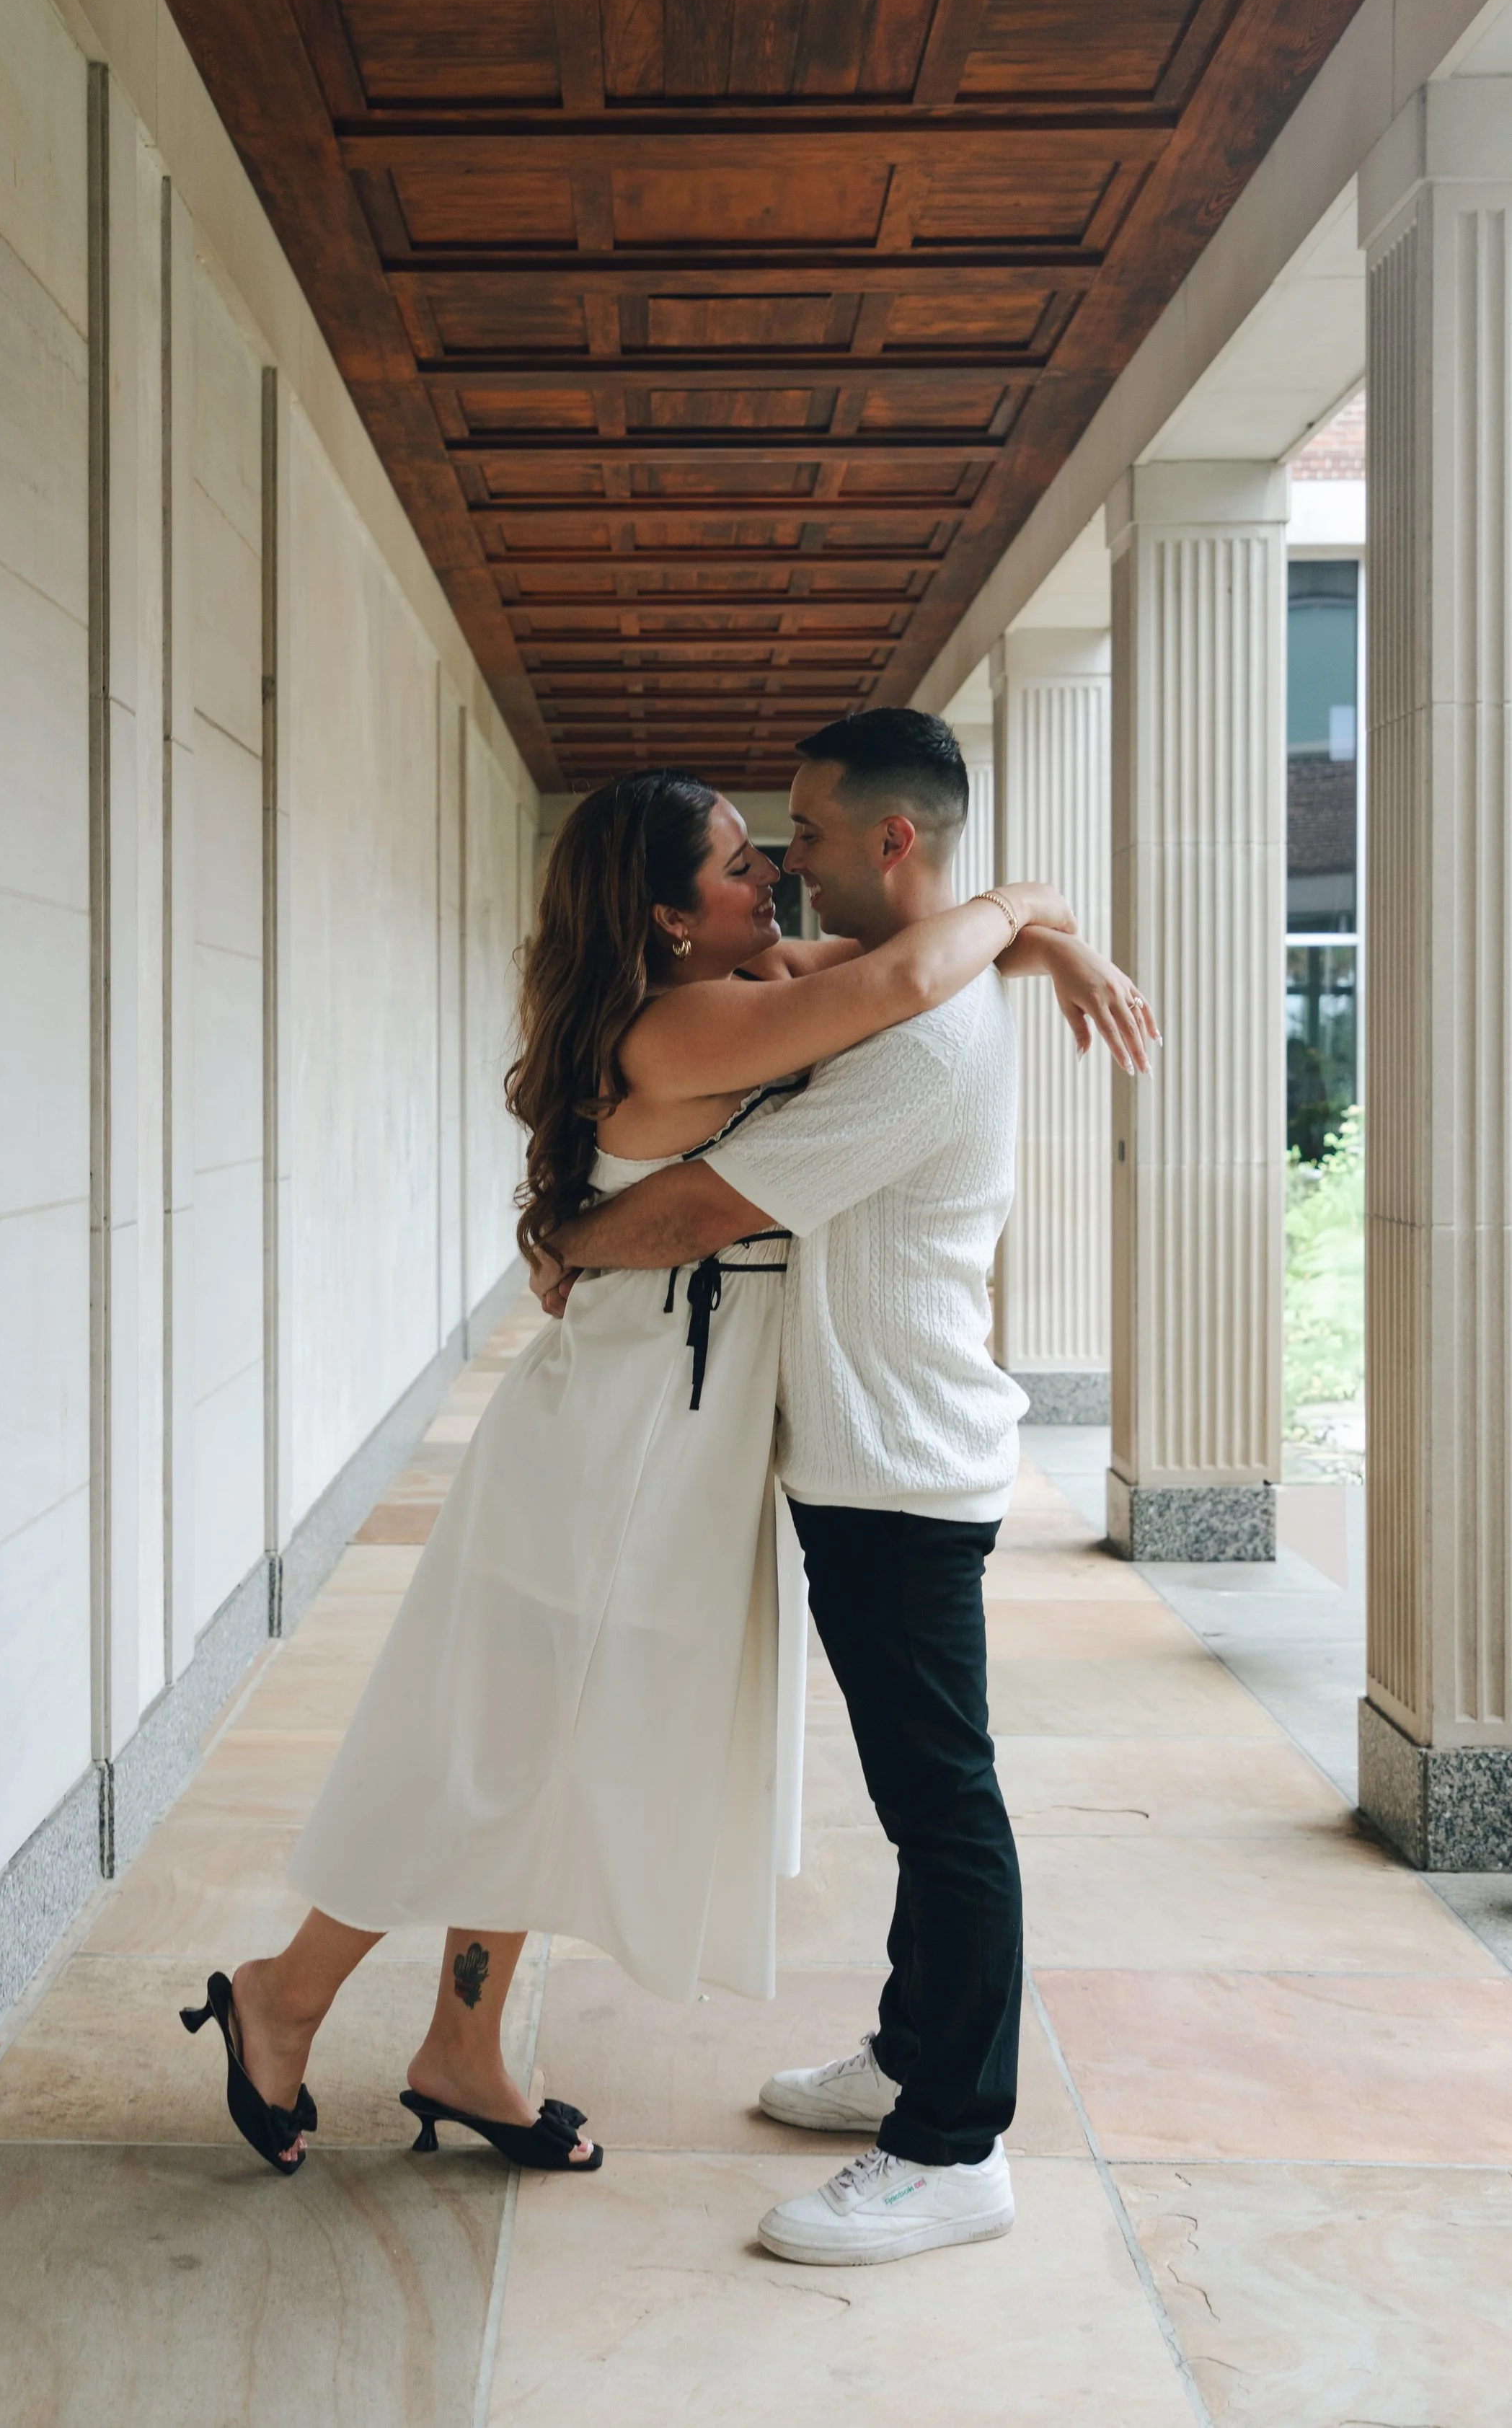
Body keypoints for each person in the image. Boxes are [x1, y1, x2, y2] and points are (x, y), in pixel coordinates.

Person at [183, 759, 1147, 2181]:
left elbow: (921, 956)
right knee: (491, 1748)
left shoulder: (746, 984)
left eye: (774, 849)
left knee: (539, 1748)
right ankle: (286, 1993)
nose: (772, 872)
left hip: (659, 1435)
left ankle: (462, 2045)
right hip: (609, 1446)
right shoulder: (687, 1022)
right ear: (668, 917)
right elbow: (901, 981)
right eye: (736, 861)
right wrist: (1023, 911)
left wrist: (1050, 937)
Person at [532, 709, 1157, 2266]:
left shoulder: (922, 1040)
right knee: (919, 1793)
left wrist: (564, 1241)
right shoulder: (905, 987)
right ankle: (907, 2051)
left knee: (943, 1805)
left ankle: (953, 2146)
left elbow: (707, 1206)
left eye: (804, 832)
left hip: (900, 1463)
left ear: (890, 838)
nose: (786, 857)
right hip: (870, 1451)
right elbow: (931, 951)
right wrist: (1043, 929)